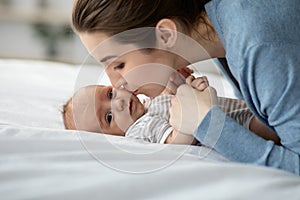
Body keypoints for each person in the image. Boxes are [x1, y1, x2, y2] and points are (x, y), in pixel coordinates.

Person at [71, 0, 300, 175]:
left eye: (119, 64)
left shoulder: (257, 47)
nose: (116, 83)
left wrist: (205, 122)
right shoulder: (224, 26)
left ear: (165, 34)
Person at [63, 72, 279, 145]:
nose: (117, 103)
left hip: (237, 110)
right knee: (272, 122)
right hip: (239, 127)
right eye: (108, 117)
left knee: (268, 104)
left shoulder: (147, 106)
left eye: (109, 94)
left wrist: (175, 81)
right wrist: (191, 103)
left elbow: (167, 99)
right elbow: (176, 141)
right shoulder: (140, 128)